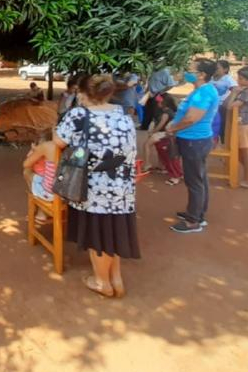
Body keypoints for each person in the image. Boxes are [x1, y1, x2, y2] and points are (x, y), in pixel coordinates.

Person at [54, 74, 139, 298]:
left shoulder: (79, 115)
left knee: (98, 236)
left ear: (83, 93)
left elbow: (59, 142)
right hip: (121, 188)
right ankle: (116, 279)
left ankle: (102, 282)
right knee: (111, 231)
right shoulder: (124, 116)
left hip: (93, 187)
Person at [165, 59, 220, 234]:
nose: (187, 72)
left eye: (191, 70)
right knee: (199, 178)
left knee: (194, 181)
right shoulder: (200, 91)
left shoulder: (203, 93)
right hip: (195, 140)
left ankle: (193, 221)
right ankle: (197, 213)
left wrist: (172, 128)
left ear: (202, 74)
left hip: (194, 141)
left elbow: (191, 118)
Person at [225, 65, 248, 189]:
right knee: (240, 152)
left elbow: (230, 106)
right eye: (239, 78)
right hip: (242, 124)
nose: (238, 81)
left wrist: (234, 93)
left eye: (241, 79)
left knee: (246, 152)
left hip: (245, 125)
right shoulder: (245, 90)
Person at [145, 93, 183, 186]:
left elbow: (161, 125)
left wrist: (153, 132)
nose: (157, 102)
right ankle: (164, 168)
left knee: (170, 157)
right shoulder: (166, 111)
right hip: (165, 134)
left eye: (159, 101)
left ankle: (148, 164)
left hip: (165, 135)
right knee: (163, 153)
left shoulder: (166, 112)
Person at [22, 131, 58, 223]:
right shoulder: (64, 146)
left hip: (50, 193)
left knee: (27, 172)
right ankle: (40, 208)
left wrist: (34, 150)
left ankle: (40, 210)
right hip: (67, 193)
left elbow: (25, 164)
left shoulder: (46, 147)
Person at [140, 66, 177, 130]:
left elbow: (171, 84)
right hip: (149, 94)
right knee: (148, 110)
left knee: (157, 111)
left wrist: (160, 91)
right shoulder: (152, 70)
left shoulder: (164, 72)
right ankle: (144, 126)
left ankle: (159, 127)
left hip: (158, 95)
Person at [212, 60, 237, 142]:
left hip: (221, 106)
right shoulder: (211, 78)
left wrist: (227, 101)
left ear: (225, 69)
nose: (215, 69)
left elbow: (235, 90)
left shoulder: (227, 79)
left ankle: (223, 142)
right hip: (211, 105)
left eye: (217, 68)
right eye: (214, 68)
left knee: (222, 125)